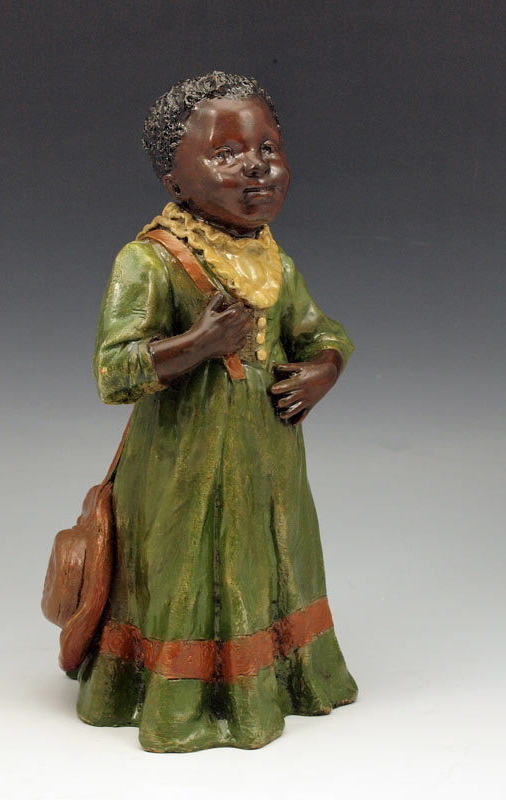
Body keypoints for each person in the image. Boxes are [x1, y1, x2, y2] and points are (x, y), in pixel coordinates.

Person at [76, 71, 357, 752]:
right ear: (173, 180)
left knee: (274, 564)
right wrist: (197, 345)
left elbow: (320, 331)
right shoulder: (151, 261)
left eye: (268, 147)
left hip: (269, 464)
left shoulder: (274, 262)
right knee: (187, 575)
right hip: (182, 470)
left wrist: (324, 368)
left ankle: (284, 677)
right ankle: (179, 701)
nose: (256, 165)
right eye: (226, 153)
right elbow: (114, 371)